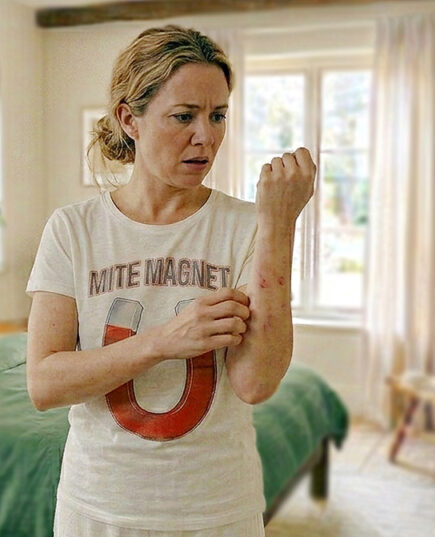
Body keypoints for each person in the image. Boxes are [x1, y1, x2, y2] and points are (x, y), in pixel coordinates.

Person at [25, 25, 316, 537]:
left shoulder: (249, 226)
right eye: (184, 116)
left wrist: (278, 225)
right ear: (129, 120)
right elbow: (44, 385)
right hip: (98, 509)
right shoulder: (73, 230)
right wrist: (164, 341)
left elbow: (256, 382)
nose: (206, 136)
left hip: (218, 510)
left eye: (218, 115)